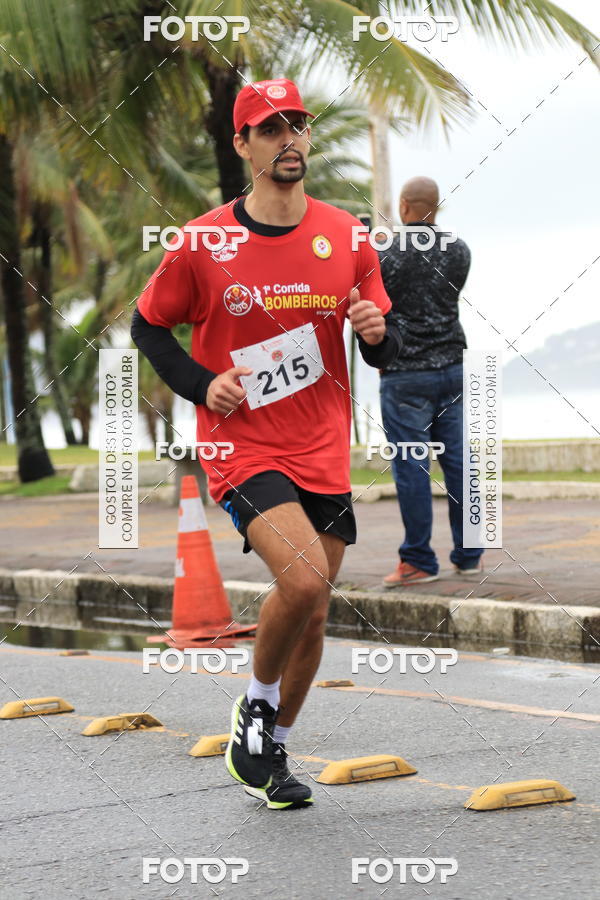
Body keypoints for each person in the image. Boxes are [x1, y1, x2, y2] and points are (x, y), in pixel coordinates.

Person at [131, 78, 401, 810]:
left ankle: (270, 749)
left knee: (313, 607)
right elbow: (147, 324)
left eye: (298, 126)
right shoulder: (204, 242)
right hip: (241, 444)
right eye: (270, 128)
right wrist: (199, 383)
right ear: (242, 144)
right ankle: (253, 706)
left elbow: (379, 340)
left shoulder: (345, 236)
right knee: (306, 578)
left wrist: (376, 334)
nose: (289, 139)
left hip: (323, 445)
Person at [378, 176, 484, 587]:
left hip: (405, 374)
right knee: (459, 462)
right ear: (436, 207)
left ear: (405, 205)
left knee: (412, 467)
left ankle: (419, 560)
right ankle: (470, 555)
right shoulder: (459, 250)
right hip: (454, 368)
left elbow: (376, 304)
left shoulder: (385, 251)